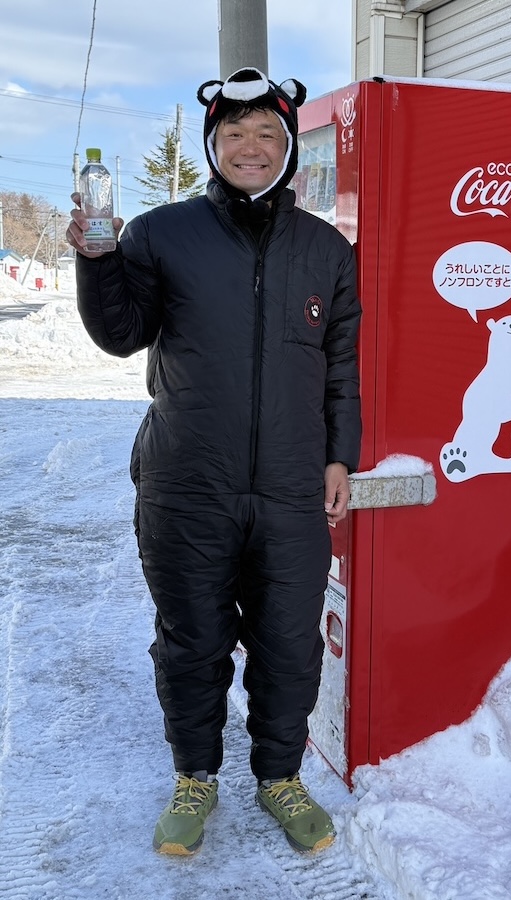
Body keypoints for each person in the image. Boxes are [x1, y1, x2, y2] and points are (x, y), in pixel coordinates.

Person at [66, 67, 362, 857]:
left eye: (267, 133)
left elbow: (341, 367)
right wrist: (97, 262)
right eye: (234, 135)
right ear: (213, 146)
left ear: (290, 146)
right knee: (191, 639)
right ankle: (195, 775)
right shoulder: (163, 233)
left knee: (290, 642)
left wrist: (341, 458)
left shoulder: (327, 251)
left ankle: (278, 776)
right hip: (187, 482)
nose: (251, 148)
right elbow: (121, 333)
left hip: (294, 487)